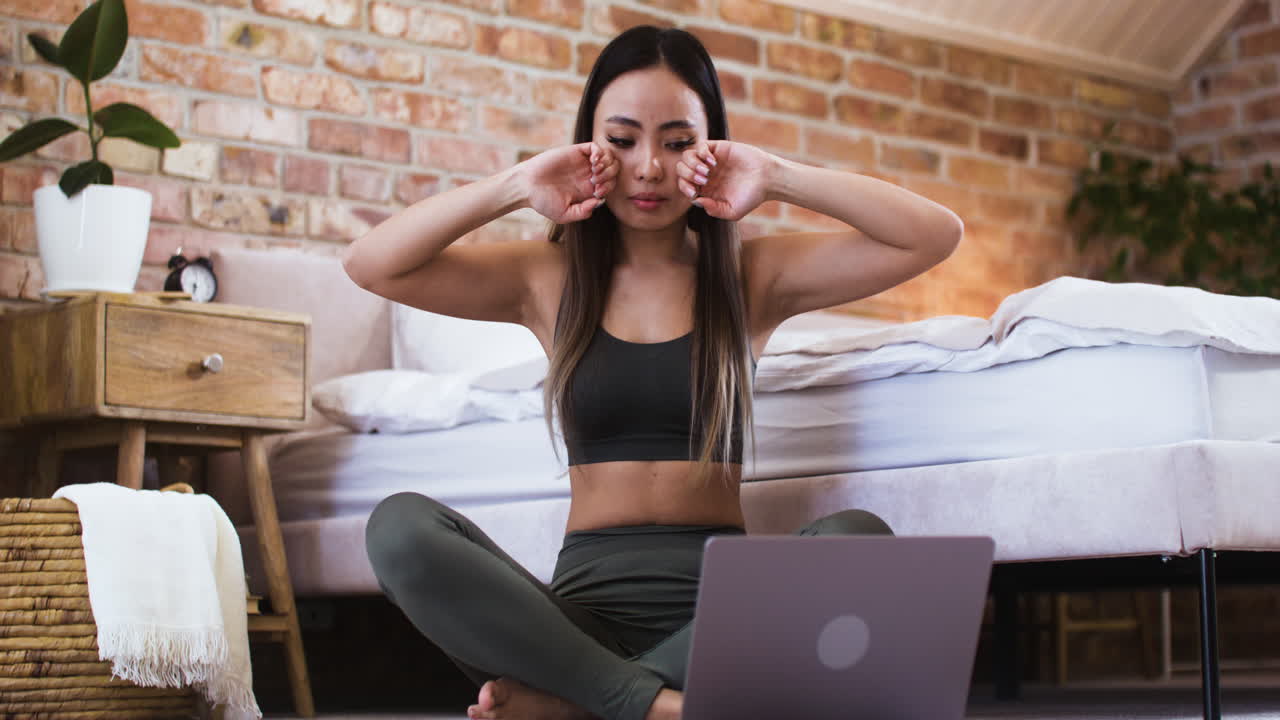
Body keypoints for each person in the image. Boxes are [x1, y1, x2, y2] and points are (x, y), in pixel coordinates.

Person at [344, 25, 962, 720]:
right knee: (398, 528)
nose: (648, 168)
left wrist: (780, 177)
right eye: (622, 140)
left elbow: (934, 235)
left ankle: (581, 707)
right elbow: (372, 263)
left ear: (712, 148)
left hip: (720, 621)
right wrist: (517, 185)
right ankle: (646, 704)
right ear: (588, 145)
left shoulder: (749, 276)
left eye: (677, 142)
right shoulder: (546, 278)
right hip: (571, 630)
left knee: (859, 541)